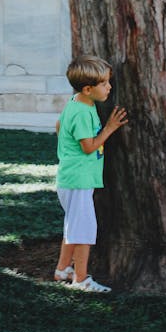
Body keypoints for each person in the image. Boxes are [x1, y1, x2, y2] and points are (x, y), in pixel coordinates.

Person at [54, 54, 128, 292]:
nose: (109, 87)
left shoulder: (77, 103)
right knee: (84, 230)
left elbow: (58, 126)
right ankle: (81, 279)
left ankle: (62, 269)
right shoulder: (84, 112)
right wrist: (109, 128)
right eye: (104, 83)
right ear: (88, 88)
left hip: (72, 178)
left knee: (73, 226)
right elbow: (88, 147)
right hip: (78, 180)